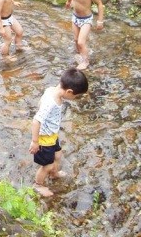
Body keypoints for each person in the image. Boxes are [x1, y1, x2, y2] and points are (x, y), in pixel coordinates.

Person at [29, 68, 89, 197]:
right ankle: (38, 185)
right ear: (69, 91)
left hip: (52, 135)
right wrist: (35, 142)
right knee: (47, 165)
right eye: (76, 96)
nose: (75, 98)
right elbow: (36, 120)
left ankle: (54, 174)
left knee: (58, 154)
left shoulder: (51, 90)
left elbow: (40, 102)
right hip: (44, 139)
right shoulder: (51, 103)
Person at [64, 0, 104, 70]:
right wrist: (68, 2)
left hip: (86, 20)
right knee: (76, 40)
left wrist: (100, 20)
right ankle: (80, 55)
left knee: (81, 42)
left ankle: (86, 61)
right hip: (75, 17)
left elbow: (99, 4)